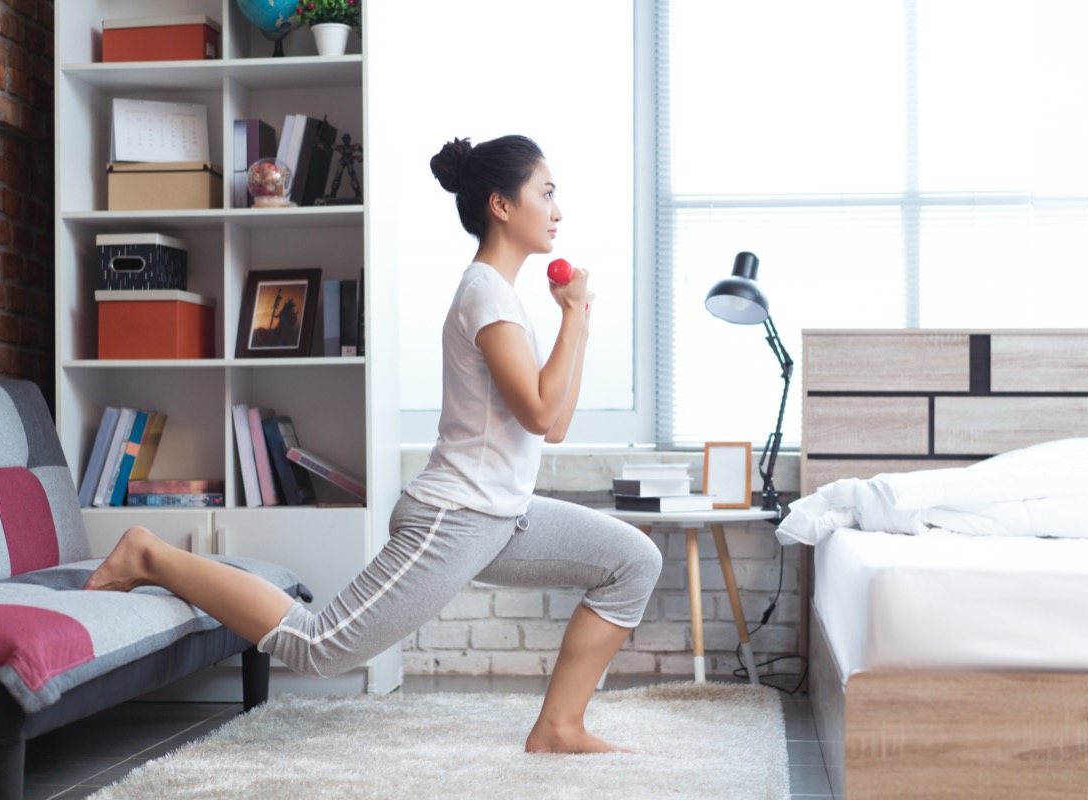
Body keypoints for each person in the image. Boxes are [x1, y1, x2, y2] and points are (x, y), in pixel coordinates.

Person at [86, 134, 663, 755]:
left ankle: (559, 727)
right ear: (501, 204)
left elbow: (553, 426)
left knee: (631, 561)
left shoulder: (505, 297)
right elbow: (543, 409)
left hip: (503, 515)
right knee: (318, 647)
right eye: (545, 194)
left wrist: (578, 320)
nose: (557, 210)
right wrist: (573, 317)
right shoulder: (486, 295)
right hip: (456, 518)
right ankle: (149, 556)